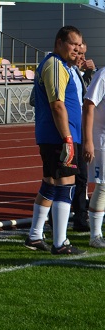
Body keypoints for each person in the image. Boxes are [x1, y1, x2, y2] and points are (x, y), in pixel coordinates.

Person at [25, 25, 84, 255]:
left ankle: (35, 235)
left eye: (79, 45)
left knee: (50, 183)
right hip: (58, 136)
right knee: (65, 184)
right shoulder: (55, 65)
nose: (76, 49)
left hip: (54, 135)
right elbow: (57, 104)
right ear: (59, 42)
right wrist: (67, 138)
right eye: (72, 44)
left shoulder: (60, 65)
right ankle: (60, 242)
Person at [81, 66, 105, 248]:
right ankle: (95, 235)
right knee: (103, 186)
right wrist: (88, 140)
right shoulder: (103, 75)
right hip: (102, 139)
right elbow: (89, 104)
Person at [70, 42, 90, 232]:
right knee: (63, 177)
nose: (82, 58)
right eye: (79, 53)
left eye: (83, 54)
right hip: (66, 131)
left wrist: (90, 73)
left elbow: (88, 96)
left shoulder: (78, 73)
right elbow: (35, 99)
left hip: (80, 130)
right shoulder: (60, 71)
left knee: (82, 176)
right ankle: (53, 219)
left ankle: (80, 217)